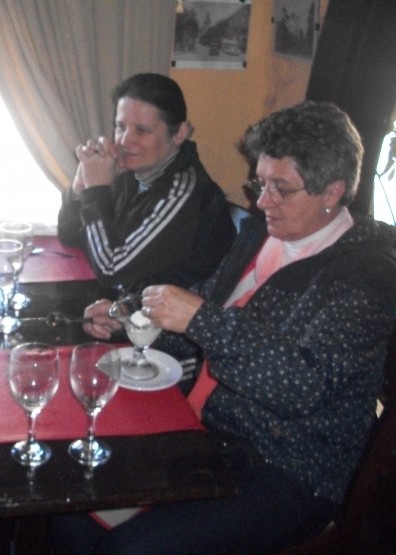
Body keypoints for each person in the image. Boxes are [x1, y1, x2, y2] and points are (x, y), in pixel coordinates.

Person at [57, 101, 396, 554]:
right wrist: (133, 316)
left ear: (332, 192)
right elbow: (206, 304)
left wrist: (201, 318)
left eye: (281, 188)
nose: (262, 201)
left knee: (132, 548)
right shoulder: (263, 234)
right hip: (209, 431)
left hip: (289, 468)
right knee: (68, 497)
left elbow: (303, 386)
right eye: (261, 183)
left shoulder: (364, 276)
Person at [57, 73, 236, 298]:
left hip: (163, 317)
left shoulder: (183, 193)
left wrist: (96, 190)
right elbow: (69, 235)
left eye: (141, 131)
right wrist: (81, 184)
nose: (125, 141)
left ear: (179, 133)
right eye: (120, 126)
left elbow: (111, 270)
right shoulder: (132, 174)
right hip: (127, 303)